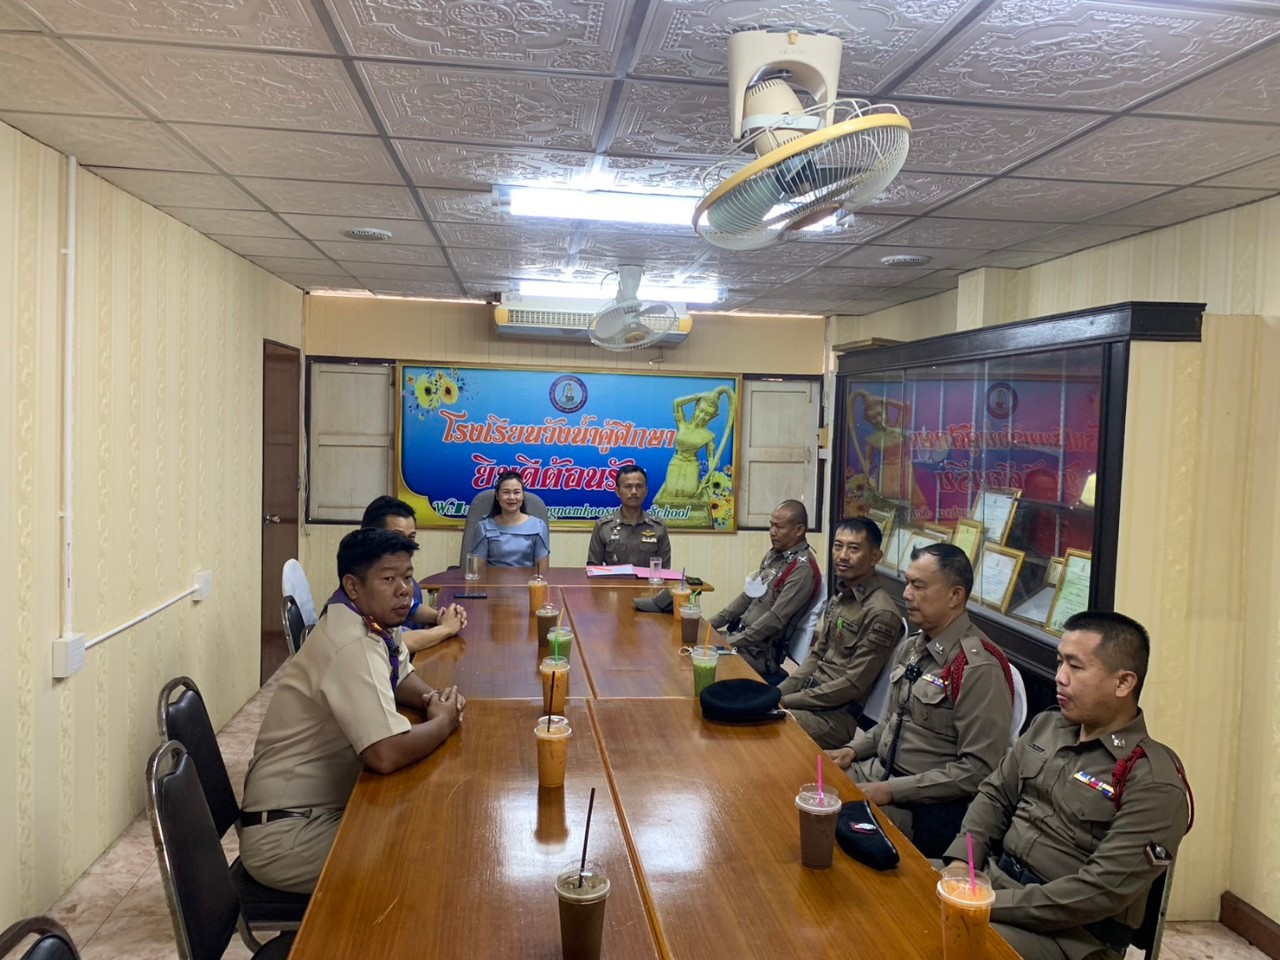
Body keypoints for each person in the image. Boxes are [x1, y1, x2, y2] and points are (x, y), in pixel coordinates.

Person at [944, 611, 1192, 960]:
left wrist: (985, 904)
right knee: (897, 889)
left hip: (1073, 937)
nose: (1060, 677)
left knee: (938, 941)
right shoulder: (1049, 726)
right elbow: (995, 794)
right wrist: (961, 862)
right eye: (1059, 662)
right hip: (995, 882)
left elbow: (1098, 892)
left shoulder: (1153, 781)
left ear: (1123, 683)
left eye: (1075, 667)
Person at [238, 527, 466, 894]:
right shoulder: (350, 643)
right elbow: (384, 754)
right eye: (388, 579)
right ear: (353, 586)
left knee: (423, 822)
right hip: (289, 837)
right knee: (423, 856)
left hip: (319, 810)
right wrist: (442, 721)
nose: (404, 590)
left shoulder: (372, 619)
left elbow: (398, 672)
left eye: (408, 577)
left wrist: (431, 698)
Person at [826, 543, 1013, 856]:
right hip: (876, 772)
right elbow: (891, 722)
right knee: (800, 784)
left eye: (919, 586)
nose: (907, 594)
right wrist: (851, 750)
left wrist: (890, 790)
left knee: (826, 823)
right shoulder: (913, 647)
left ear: (955, 595)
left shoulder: (977, 667)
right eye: (907, 583)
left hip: (920, 804)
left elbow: (978, 769)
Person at [777, 517, 902, 748]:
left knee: (762, 725)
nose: (843, 555)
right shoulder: (842, 596)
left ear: (875, 557)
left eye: (853, 548)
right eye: (838, 546)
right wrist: (777, 693)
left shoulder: (881, 613)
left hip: (833, 719)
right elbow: (816, 655)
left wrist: (786, 701)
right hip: (807, 699)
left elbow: (852, 684)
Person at [708, 499, 820, 683]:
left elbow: (776, 618)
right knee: (691, 645)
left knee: (699, 661)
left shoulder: (802, 569)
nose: (772, 532)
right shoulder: (774, 556)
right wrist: (708, 625)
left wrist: (730, 643)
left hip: (759, 654)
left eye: (779, 527)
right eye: (771, 525)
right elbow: (748, 596)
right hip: (741, 640)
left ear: (799, 530)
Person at [361, 495, 466, 653]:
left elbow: (411, 607)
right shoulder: (365, 582)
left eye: (411, 537)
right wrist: (445, 629)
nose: (407, 546)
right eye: (397, 537)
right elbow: (390, 643)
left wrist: (440, 616)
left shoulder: (398, 574)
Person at [652, 386, 736, 527]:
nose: (702, 416)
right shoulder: (682, 425)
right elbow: (677, 403)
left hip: (692, 464)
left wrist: (710, 472)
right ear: (696, 408)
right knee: (672, 492)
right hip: (676, 461)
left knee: (689, 492)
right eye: (701, 410)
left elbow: (711, 458)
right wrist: (698, 396)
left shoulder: (708, 436)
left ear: (713, 416)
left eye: (707, 414)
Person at [586, 464, 671, 567]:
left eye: (639, 486)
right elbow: (593, 568)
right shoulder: (603, 526)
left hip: (648, 579)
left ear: (646, 491)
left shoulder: (658, 527)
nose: (634, 492)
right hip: (613, 578)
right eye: (628, 486)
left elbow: (664, 570)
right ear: (618, 491)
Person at [467, 471, 550, 571]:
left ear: (523, 496)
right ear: (497, 496)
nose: (511, 497)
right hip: (493, 581)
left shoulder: (538, 526)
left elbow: (541, 572)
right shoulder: (484, 527)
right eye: (506, 492)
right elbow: (477, 571)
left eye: (517, 492)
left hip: (528, 581)